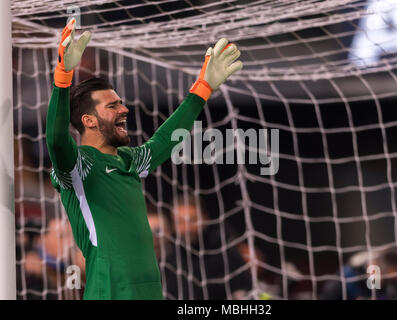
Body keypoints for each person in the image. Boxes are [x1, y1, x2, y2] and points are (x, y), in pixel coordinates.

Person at [45, 18, 243, 299]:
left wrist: (202, 89)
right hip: (111, 292)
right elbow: (55, 138)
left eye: (121, 102)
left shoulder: (131, 160)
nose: (124, 109)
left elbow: (166, 139)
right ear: (88, 121)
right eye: (113, 106)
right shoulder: (80, 166)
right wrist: (63, 75)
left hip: (149, 291)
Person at [164, 193, 252, 300]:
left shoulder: (223, 249)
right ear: (172, 225)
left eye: (192, 220)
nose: (187, 228)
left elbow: (243, 288)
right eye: (180, 222)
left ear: (205, 218)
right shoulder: (168, 259)